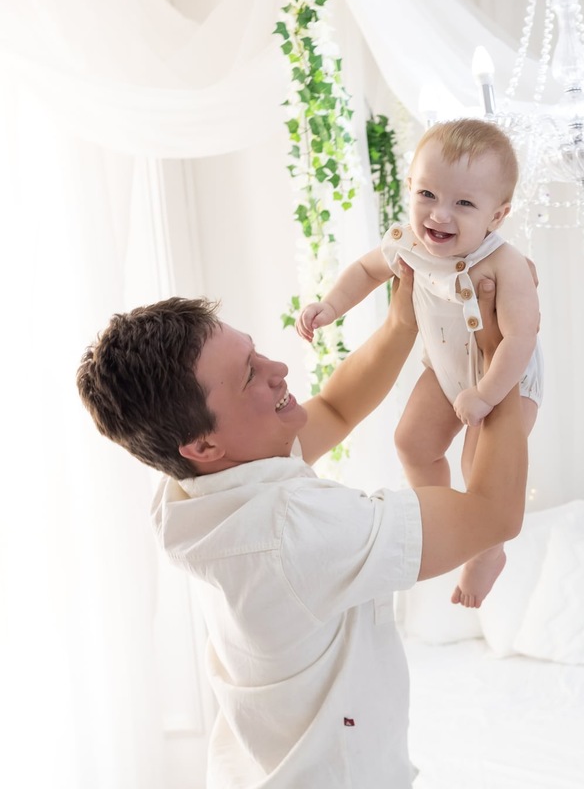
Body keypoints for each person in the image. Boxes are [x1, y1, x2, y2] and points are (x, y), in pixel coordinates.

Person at [76, 269, 528, 787]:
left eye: (256, 352)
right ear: (203, 446)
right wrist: (503, 353)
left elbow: (337, 408)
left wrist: (404, 315)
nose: (278, 367)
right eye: (250, 374)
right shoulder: (296, 531)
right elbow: (495, 514)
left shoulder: (188, 493)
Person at [297, 118, 541, 608]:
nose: (439, 215)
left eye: (464, 204)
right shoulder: (406, 243)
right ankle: (444, 518)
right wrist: (330, 307)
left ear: (497, 215)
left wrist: (488, 394)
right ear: (408, 187)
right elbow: (367, 270)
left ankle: (485, 552)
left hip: (504, 379)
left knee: (481, 473)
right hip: (445, 372)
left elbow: (520, 337)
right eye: (427, 193)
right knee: (410, 441)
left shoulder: (504, 265)